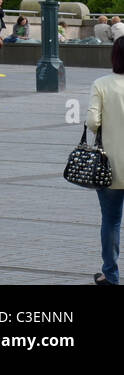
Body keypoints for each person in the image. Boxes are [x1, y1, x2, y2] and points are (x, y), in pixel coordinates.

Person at [87, 37, 124, 284]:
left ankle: (110, 275)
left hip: (110, 166)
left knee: (110, 222)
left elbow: (92, 122)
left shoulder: (101, 84)